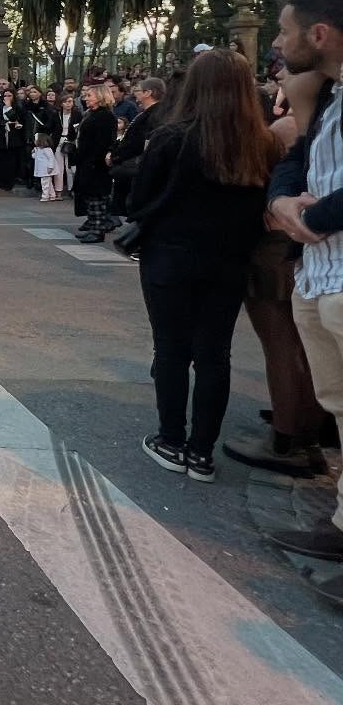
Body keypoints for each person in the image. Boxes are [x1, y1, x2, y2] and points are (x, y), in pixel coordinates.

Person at [131, 50, 279, 483]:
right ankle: (202, 452)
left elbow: (139, 201)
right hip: (230, 261)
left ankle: (171, 439)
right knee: (215, 355)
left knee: (172, 350)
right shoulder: (263, 143)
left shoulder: (172, 138)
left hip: (170, 257)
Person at [264, 0, 343, 586]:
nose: (276, 43)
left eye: (285, 31)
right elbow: (297, 161)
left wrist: (311, 218)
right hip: (320, 276)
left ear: (319, 35)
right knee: (338, 407)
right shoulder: (330, 97)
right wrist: (283, 201)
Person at [224, 66, 332, 477]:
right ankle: (305, 422)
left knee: (282, 346)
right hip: (301, 247)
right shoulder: (309, 127)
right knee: (302, 345)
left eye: (286, 71)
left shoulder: (285, 130)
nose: (279, 77)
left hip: (273, 248)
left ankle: (289, 436)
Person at [109, 76, 166, 217]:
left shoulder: (155, 115)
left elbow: (138, 142)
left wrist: (116, 156)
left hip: (138, 164)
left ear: (148, 93)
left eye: (138, 90)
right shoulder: (147, 113)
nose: (135, 93)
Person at [73, 84, 117, 243]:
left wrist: (93, 159)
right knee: (90, 196)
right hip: (87, 160)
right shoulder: (91, 114)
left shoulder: (105, 116)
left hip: (95, 162)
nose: (86, 98)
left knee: (96, 197)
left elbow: (103, 141)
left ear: (100, 96)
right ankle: (93, 225)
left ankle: (98, 230)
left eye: (89, 95)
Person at [0, 89, 27, 191]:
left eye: (9, 96)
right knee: (1, 160)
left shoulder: (18, 108)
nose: (7, 98)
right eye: (5, 96)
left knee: (11, 160)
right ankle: (1, 181)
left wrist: (8, 107)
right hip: (1, 137)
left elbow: (15, 118)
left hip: (13, 137)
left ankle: (10, 181)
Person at [33, 133, 62, 202]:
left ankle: (45, 196)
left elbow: (51, 158)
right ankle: (52, 195)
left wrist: (50, 167)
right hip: (43, 170)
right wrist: (33, 153)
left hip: (46, 170)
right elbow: (36, 157)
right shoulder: (38, 149)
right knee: (49, 183)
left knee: (45, 183)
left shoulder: (47, 150)